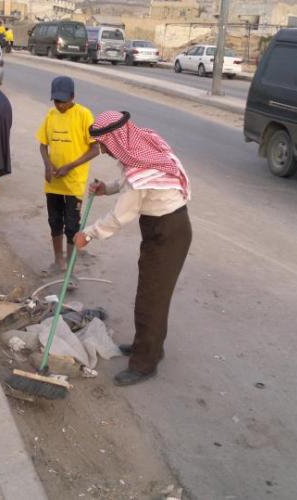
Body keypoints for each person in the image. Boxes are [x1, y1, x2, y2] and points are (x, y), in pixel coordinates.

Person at [74, 111, 192, 387]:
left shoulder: (139, 166)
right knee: (152, 294)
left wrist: (88, 234)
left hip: (167, 232)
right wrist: (107, 188)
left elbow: (120, 215)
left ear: (116, 139)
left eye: (103, 146)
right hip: (164, 228)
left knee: (151, 298)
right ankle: (148, 346)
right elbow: (131, 182)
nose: (104, 151)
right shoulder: (142, 147)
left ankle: (144, 364)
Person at [36, 76, 99, 272]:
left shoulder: (84, 115)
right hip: (53, 182)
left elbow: (95, 149)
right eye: (56, 101)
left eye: (63, 101)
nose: (60, 105)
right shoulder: (51, 115)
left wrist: (70, 166)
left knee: (71, 225)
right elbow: (43, 145)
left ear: (73, 96)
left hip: (74, 182)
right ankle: (58, 261)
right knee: (54, 221)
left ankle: (70, 267)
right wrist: (47, 165)